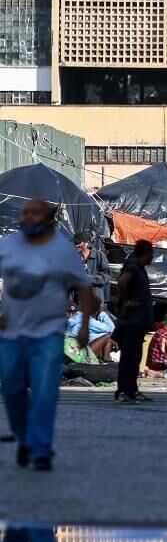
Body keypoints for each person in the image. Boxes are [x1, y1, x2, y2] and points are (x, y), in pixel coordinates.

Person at [0, 199, 93, 470]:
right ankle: (25, 437)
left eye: (35, 213)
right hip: (13, 333)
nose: (28, 218)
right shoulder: (10, 245)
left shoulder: (62, 250)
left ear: (47, 219)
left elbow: (84, 288)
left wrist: (85, 326)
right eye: (25, 213)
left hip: (48, 333)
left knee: (43, 392)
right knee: (13, 389)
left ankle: (41, 448)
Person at [114, 239, 155, 403]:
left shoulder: (139, 268)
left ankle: (132, 390)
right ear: (146, 254)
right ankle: (124, 390)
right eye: (151, 253)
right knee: (129, 358)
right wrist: (128, 300)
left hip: (137, 323)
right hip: (131, 322)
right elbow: (122, 282)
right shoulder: (133, 267)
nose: (152, 257)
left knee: (134, 358)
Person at [75, 233, 112, 306]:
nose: (76, 245)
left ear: (86, 243)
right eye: (74, 243)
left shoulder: (99, 256)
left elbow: (107, 276)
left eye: (78, 243)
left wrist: (90, 279)